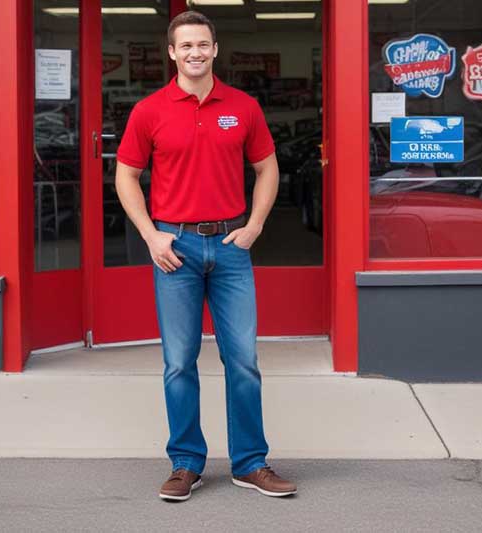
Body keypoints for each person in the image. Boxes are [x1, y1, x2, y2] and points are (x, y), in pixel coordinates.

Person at [115, 10, 297, 501]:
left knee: (244, 361)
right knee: (179, 362)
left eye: (203, 44)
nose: (195, 52)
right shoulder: (150, 110)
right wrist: (152, 236)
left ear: (215, 49)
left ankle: (250, 463)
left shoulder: (243, 107)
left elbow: (267, 168)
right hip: (175, 249)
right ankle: (186, 463)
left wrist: (254, 225)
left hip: (231, 247)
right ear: (172, 53)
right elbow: (125, 176)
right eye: (185, 46)